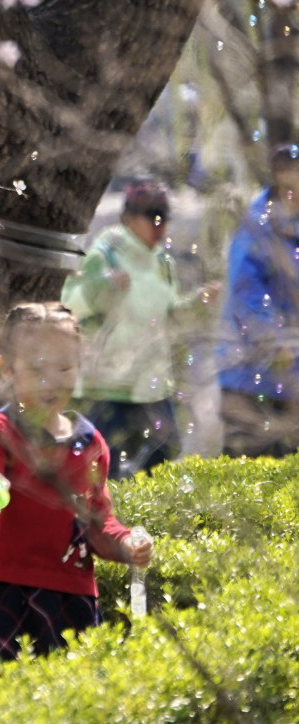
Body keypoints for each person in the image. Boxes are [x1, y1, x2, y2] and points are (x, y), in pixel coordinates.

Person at [0, 302, 153, 668]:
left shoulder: (91, 443)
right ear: (8, 369)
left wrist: (126, 544)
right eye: (37, 369)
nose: (52, 380)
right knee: (5, 698)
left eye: (64, 367)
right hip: (7, 589)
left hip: (73, 593)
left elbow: (98, 521)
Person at [61, 180, 219, 477]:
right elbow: (70, 304)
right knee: (101, 466)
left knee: (165, 454)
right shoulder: (104, 253)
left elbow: (169, 316)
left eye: (164, 218)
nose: (159, 226)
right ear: (129, 218)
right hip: (110, 384)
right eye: (152, 217)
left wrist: (199, 302)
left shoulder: (162, 262)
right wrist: (103, 286)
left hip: (151, 381)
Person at [217, 142, 299, 457]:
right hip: (248, 377)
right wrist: (273, 337)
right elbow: (245, 289)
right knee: (250, 474)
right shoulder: (258, 224)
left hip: (284, 378)